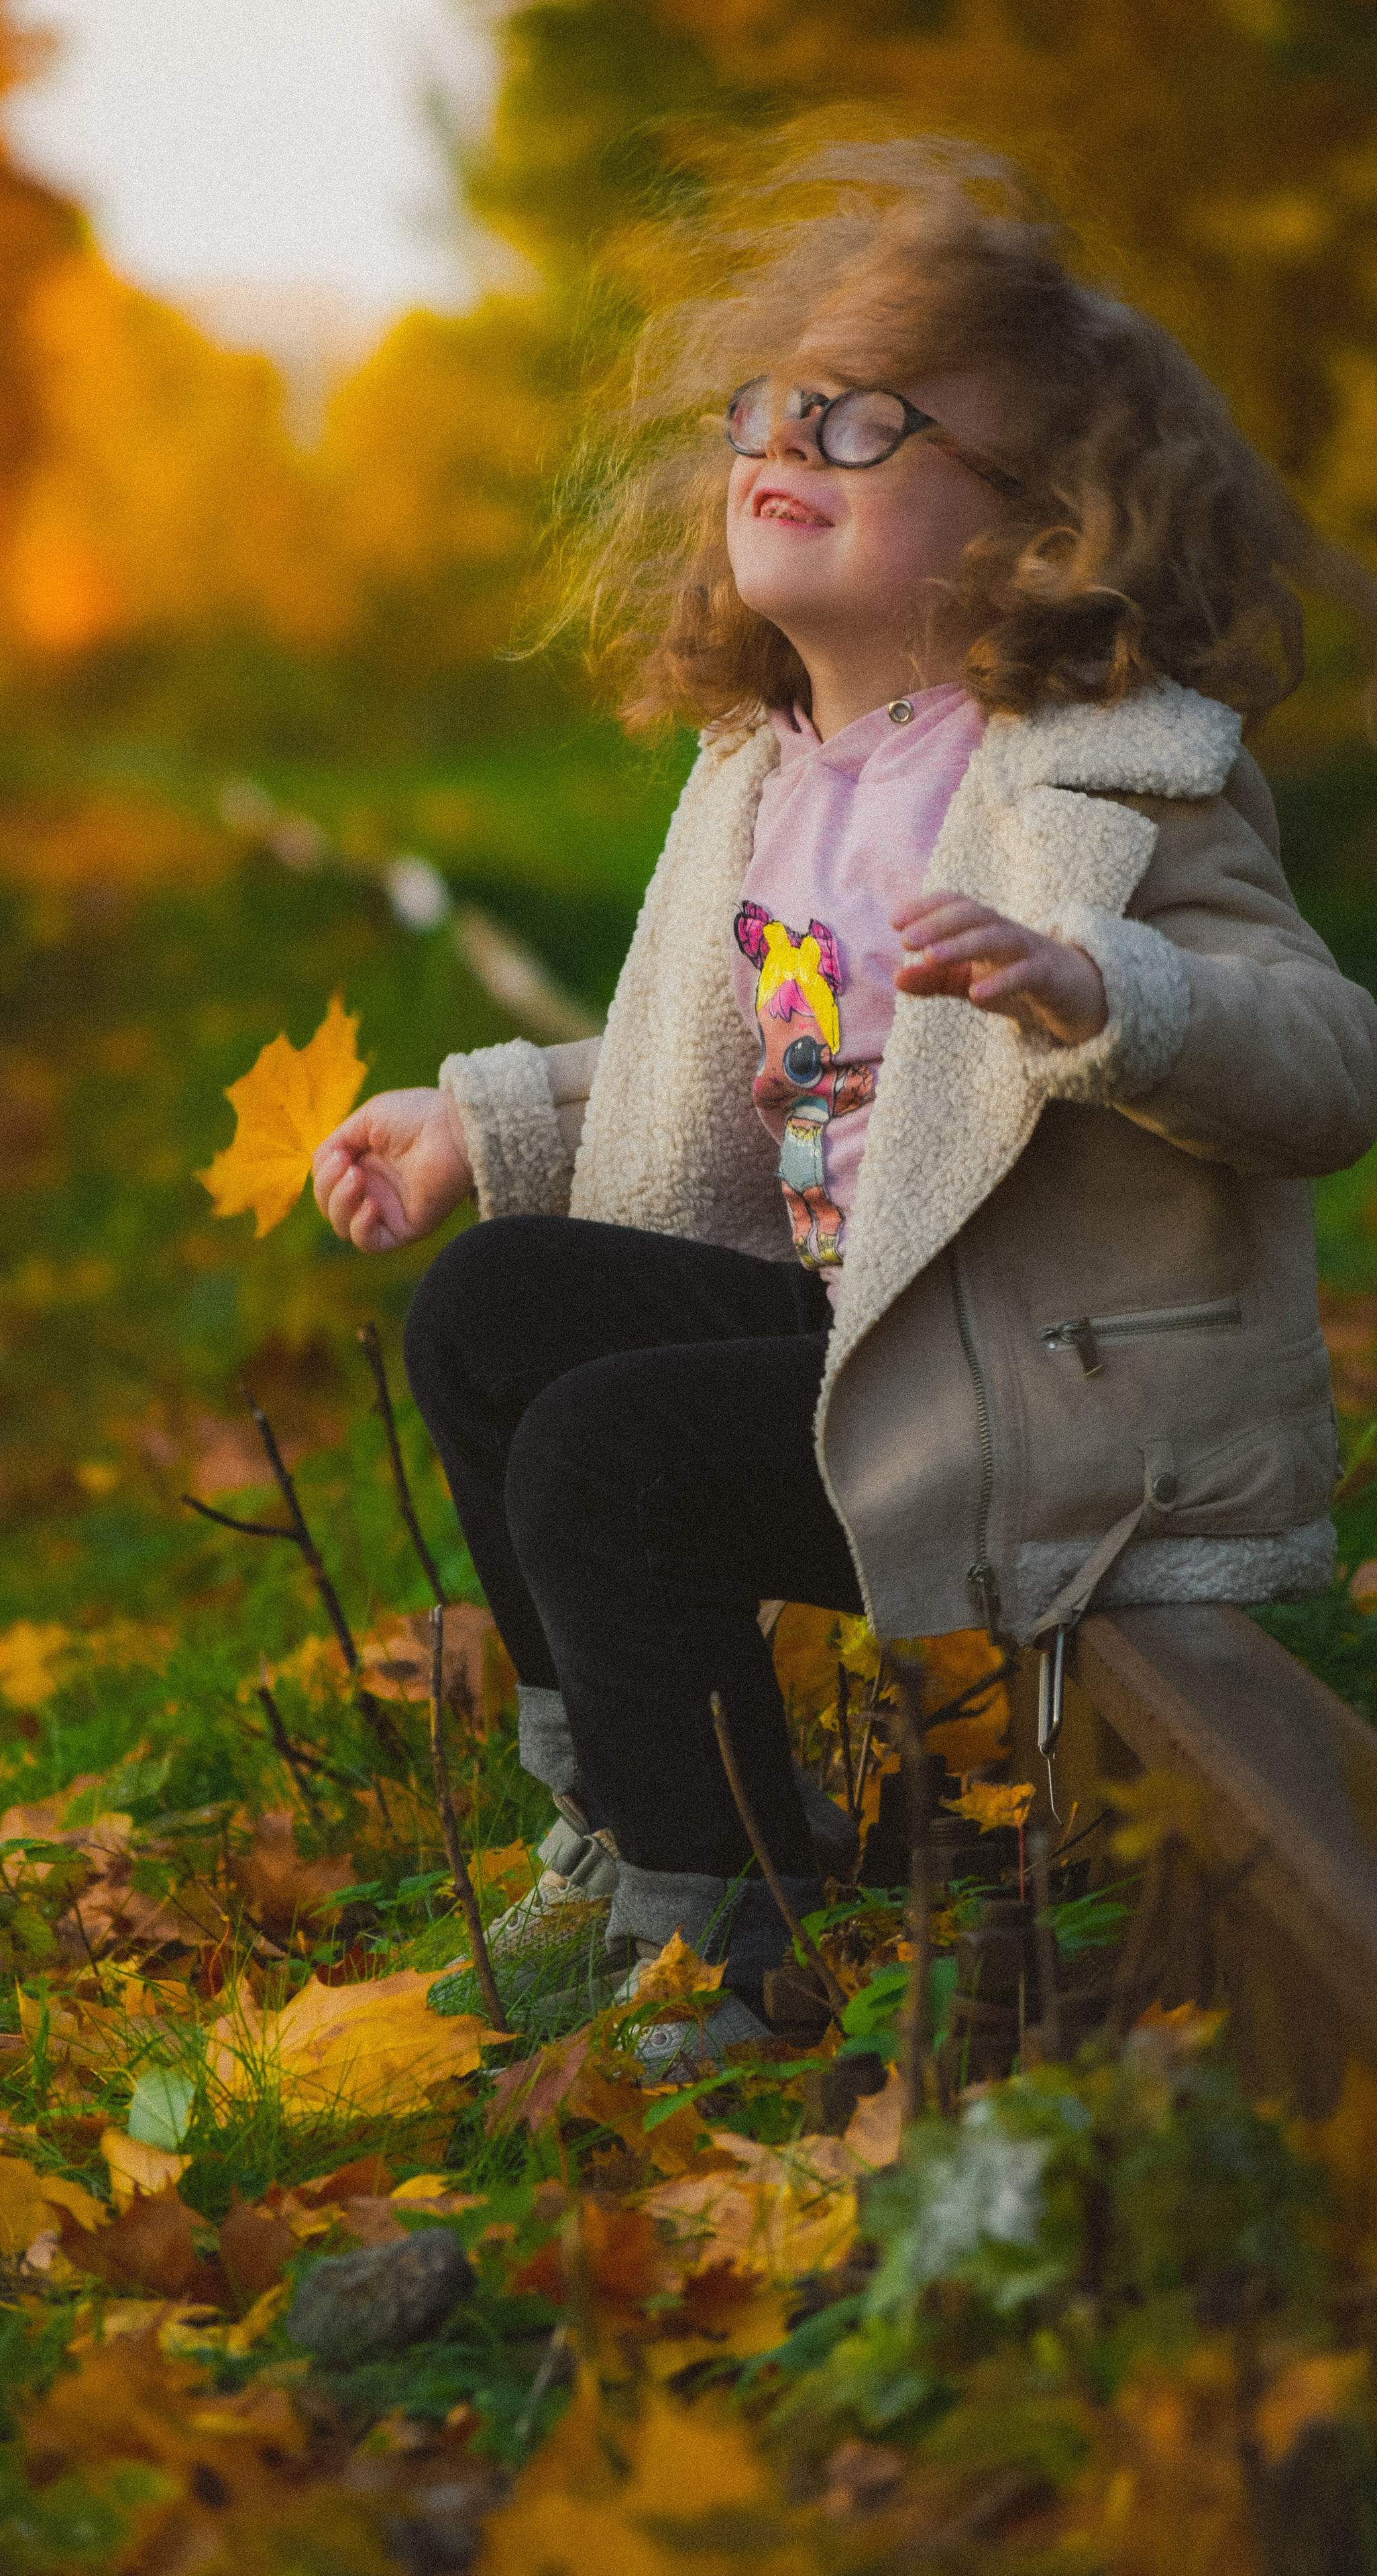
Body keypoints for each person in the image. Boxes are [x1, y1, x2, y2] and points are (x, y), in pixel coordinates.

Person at [311, 140, 1377, 2065]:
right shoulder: (771, 768)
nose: (784, 439)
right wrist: (494, 1119)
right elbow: (753, 1054)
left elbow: (1326, 1063)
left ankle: (724, 1936)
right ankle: (617, 1826)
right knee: (493, 1314)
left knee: (608, 1455)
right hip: (877, 1339)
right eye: (769, 408)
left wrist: (1103, 993)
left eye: (869, 420)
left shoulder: (1108, 783)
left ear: (1036, 525)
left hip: (1049, 1398)